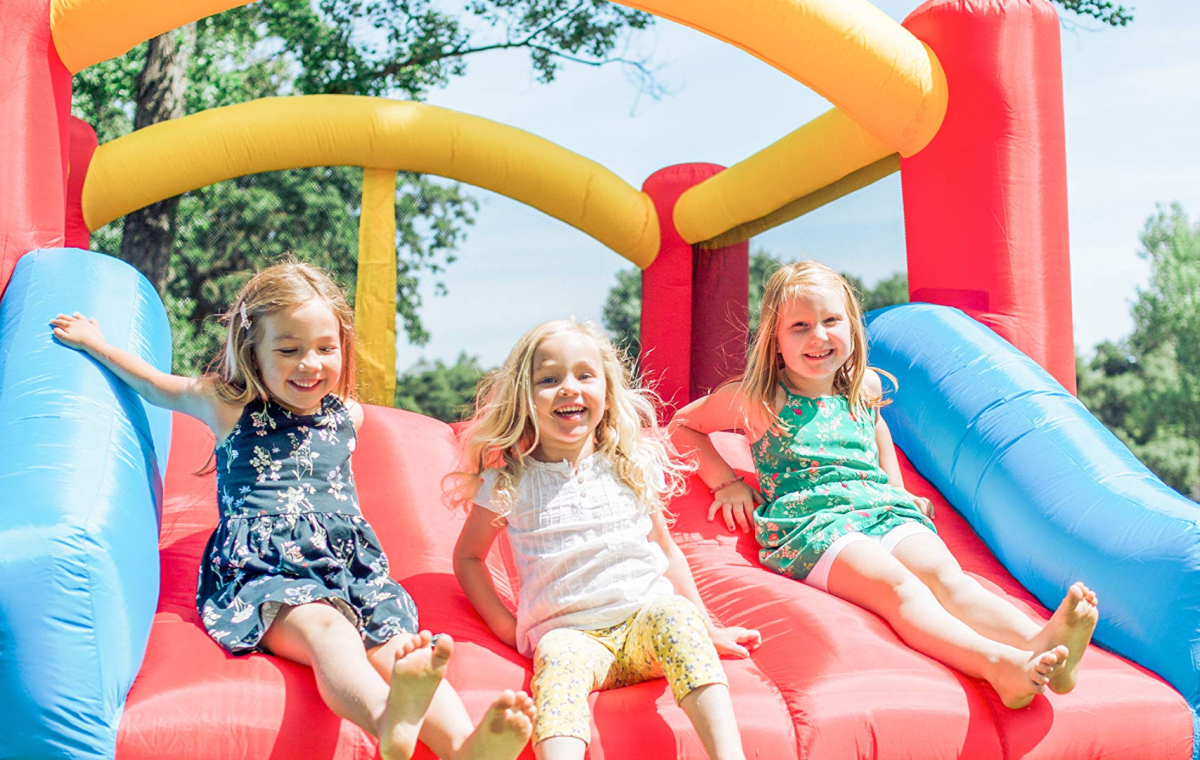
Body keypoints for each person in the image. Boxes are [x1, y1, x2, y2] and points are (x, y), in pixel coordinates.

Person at [52, 261, 534, 760]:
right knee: (331, 633)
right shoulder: (228, 404)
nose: (310, 363)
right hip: (265, 572)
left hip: (351, 570)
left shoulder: (345, 414)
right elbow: (153, 384)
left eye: (326, 349)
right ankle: (388, 717)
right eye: (289, 350)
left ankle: (464, 747)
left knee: (405, 649)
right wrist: (95, 343)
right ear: (252, 351)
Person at [670, 261, 1099, 711]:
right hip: (816, 525)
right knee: (900, 588)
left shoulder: (863, 386)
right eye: (800, 326)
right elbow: (685, 424)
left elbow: (877, 430)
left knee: (947, 578)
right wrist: (726, 483)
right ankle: (998, 665)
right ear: (775, 343)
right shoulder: (760, 399)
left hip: (878, 507)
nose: (818, 336)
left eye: (831, 321)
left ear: (852, 327)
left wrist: (896, 488)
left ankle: (1042, 644)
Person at [449, 319, 761, 760]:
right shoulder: (510, 482)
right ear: (524, 397)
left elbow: (666, 552)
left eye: (584, 375)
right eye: (549, 379)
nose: (568, 388)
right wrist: (507, 626)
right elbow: (468, 558)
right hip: (572, 636)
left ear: (607, 392)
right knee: (556, 659)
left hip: (642, 625)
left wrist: (706, 625)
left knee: (675, 615)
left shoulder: (629, 465)